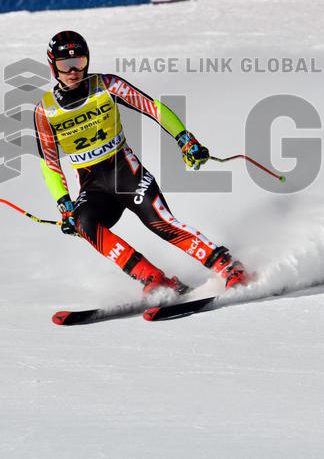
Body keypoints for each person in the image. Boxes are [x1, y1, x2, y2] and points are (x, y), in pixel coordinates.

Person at [33, 31, 250, 294]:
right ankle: (153, 278)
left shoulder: (107, 85)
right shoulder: (45, 111)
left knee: (160, 223)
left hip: (127, 174)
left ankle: (229, 267)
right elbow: (49, 162)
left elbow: (152, 107)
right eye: (65, 65)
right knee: (84, 223)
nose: (73, 71)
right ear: (53, 66)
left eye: (79, 62)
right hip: (94, 187)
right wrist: (63, 203)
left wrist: (184, 139)